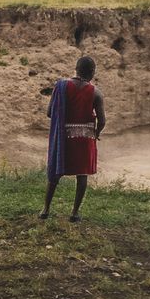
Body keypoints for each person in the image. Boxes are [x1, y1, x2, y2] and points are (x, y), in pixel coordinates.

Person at [39, 55, 105, 222]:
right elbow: (102, 120)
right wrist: (96, 133)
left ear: (76, 69)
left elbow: (49, 112)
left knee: (55, 174)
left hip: (63, 138)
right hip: (85, 140)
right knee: (82, 175)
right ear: (91, 72)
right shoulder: (96, 93)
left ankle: (45, 210)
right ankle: (74, 213)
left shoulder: (61, 87)